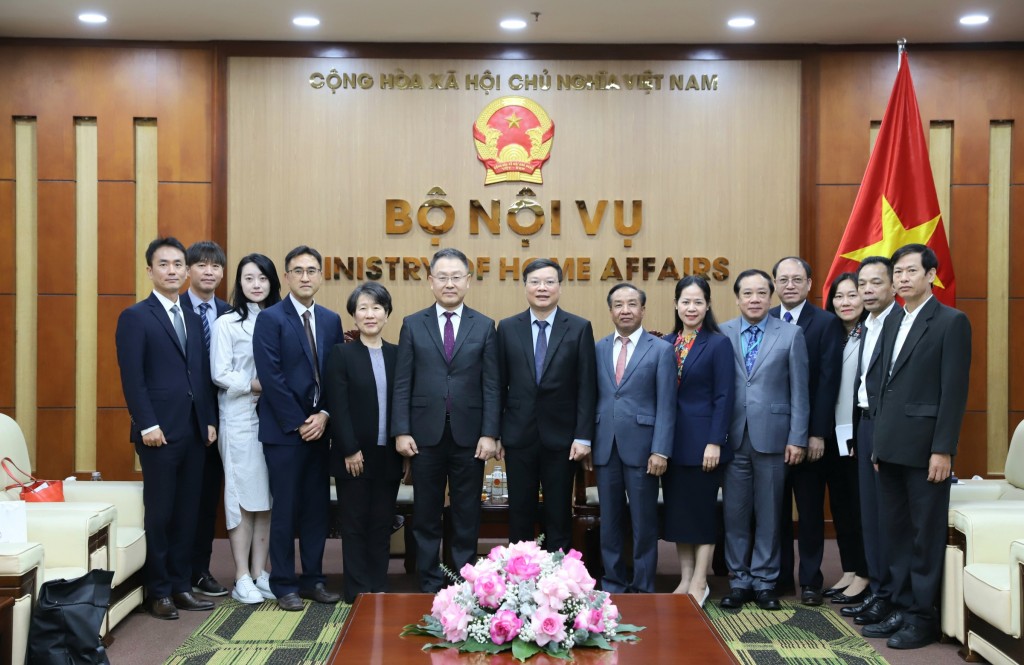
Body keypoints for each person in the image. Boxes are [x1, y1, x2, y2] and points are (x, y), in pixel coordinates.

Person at [862, 244, 971, 650]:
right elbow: (883, 387)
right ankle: (902, 607)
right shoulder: (892, 321)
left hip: (927, 451)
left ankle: (923, 618)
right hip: (888, 447)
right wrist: (877, 446)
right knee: (896, 534)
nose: (903, 279)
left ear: (931, 275)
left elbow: (953, 392)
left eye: (911, 271)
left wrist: (943, 450)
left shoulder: (950, 322)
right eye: (898, 273)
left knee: (924, 537)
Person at [115, 237, 217, 620]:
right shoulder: (136, 317)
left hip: (193, 431)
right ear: (150, 271)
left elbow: (200, 376)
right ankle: (157, 591)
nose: (172, 270)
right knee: (161, 514)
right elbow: (133, 378)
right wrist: (148, 424)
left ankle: (180, 585)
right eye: (164, 264)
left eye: (178, 264)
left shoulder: (193, 317)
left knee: (188, 512)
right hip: (157, 432)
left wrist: (207, 420)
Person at [392, 248, 500, 592]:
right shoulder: (412, 323)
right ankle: (427, 582)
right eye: (443, 277)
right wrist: (401, 430)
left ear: (468, 281)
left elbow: (492, 385)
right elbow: (402, 382)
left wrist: (490, 433)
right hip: (424, 435)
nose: (449, 283)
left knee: (467, 514)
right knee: (426, 514)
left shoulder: (484, 326)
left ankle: (463, 583)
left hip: (470, 436)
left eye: (456, 277)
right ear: (430, 282)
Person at [253, 246, 344, 611]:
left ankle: (314, 580)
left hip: (320, 430)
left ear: (321, 276)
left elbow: (337, 374)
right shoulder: (271, 319)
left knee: (315, 509)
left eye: (312, 270)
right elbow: (271, 377)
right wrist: (299, 421)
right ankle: (284, 584)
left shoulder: (331, 319)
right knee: (286, 509)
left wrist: (324, 416)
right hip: (284, 432)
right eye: (298, 271)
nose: (305, 277)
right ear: (287, 277)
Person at [719, 269, 809, 611]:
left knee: (771, 514)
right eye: (747, 293)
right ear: (738, 298)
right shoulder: (722, 332)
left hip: (774, 437)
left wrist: (798, 437)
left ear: (770, 297)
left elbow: (801, 391)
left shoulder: (791, 334)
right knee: (735, 514)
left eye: (760, 293)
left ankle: (765, 582)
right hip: (734, 436)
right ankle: (738, 580)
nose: (754, 299)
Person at [496, 258, 597, 552]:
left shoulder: (579, 328)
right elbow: (498, 385)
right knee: (520, 514)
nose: (542, 288)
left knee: (558, 515)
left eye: (549, 282)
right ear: (525, 286)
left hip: (563, 439)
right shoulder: (507, 327)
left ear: (560, 288)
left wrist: (583, 436)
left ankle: (558, 585)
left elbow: (586, 387)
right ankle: (519, 584)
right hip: (518, 436)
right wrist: (498, 433)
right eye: (535, 282)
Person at [770, 257, 844, 606]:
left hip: (810, 438)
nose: (789, 285)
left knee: (811, 512)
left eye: (796, 279)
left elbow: (829, 382)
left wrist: (817, 433)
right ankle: (781, 578)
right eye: (783, 279)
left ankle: (811, 581)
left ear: (810, 284)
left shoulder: (826, 323)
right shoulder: (765, 319)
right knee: (775, 512)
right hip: (770, 437)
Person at [324, 283, 405, 603]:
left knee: (382, 523)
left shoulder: (397, 354)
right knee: (355, 524)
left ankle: (378, 584)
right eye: (363, 308)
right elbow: (338, 406)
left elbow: (402, 403)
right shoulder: (341, 353)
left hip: (389, 455)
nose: (369, 314)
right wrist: (349, 448)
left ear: (387, 314)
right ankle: (357, 589)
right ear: (354, 315)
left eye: (376, 308)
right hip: (353, 454)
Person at [593, 283, 676, 594]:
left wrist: (661, 450)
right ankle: (613, 582)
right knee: (609, 521)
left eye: (631, 304)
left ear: (643, 309)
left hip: (644, 449)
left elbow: (667, 404)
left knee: (644, 523)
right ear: (611, 310)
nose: (624, 310)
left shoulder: (662, 350)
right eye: (618, 304)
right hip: (605, 446)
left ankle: (643, 585)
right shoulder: (598, 347)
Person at [209, 253, 281, 604]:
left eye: (263, 278)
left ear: (272, 282)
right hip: (240, 416)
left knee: (265, 499)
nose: (256, 285)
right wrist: (256, 385)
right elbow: (220, 372)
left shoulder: (281, 319)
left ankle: (259, 572)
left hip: (276, 418)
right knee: (241, 498)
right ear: (239, 283)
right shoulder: (227, 323)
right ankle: (240, 576)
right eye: (249, 278)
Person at [662, 276, 734, 607]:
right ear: (676, 305)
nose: (691, 308)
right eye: (685, 302)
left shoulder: (717, 344)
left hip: (704, 444)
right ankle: (686, 577)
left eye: (698, 302)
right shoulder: (665, 343)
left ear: (707, 306)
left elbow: (724, 396)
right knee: (680, 514)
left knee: (703, 514)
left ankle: (702, 581)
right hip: (671, 445)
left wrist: (715, 441)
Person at [841, 256, 898, 627]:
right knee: (870, 516)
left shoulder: (901, 324)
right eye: (863, 284)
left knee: (889, 518)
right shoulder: (866, 326)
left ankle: (892, 597)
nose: (867, 290)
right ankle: (878, 592)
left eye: (876, 283)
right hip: (864, 422)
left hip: (888, 427)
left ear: (893, 286)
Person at [182, 240, 232, 598]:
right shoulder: (175, 309)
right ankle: (174, 573)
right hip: (184, 424)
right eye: (201, 265)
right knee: (181, 502)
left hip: (224, 422)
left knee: (206, 502)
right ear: (188, 270)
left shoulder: (230, 314)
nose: (209, 271)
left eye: (215, 266)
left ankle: (200, 570)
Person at [820, 272, 870, 603]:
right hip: (833, 434)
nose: (845, 302)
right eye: (839, 296)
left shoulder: (872, 336)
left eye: (852, 295)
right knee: (841, 507)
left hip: (859, 435)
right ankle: (850, 569)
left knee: (860, 506)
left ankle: (865, 574)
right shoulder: (832, 336)